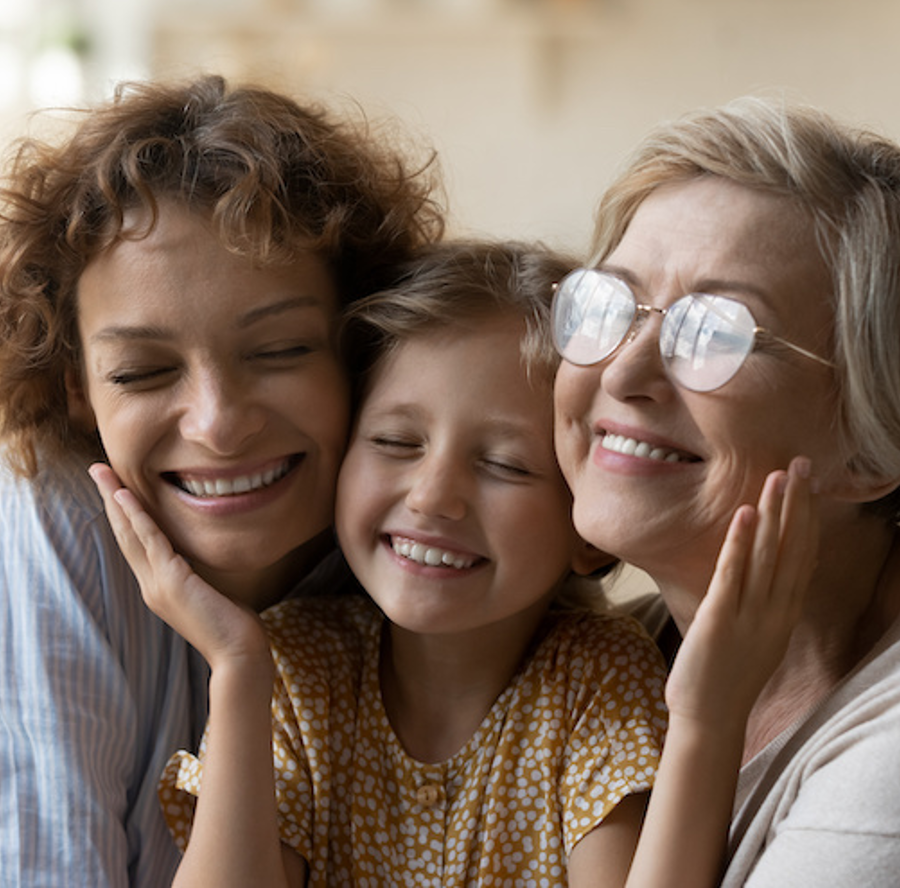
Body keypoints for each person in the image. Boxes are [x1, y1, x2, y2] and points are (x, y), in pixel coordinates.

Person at [92, 238, 819, 888]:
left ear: (589, 527)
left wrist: (705, 719)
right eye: (396, 444)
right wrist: (239, 667)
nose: (435, 497)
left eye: (504, 465)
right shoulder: (295, 670)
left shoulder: (598, 680)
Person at [0, 73, 443, 887]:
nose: (218, 423)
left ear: (362, 345)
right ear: (76, 387)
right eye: (140, 372)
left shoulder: (430, 541)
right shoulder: (56, 520)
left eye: (279, 351)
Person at [552, 95, 900, 886]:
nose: (623, 372)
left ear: (874, 446)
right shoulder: (605, 661)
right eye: (609, 305)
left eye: (715, 332)